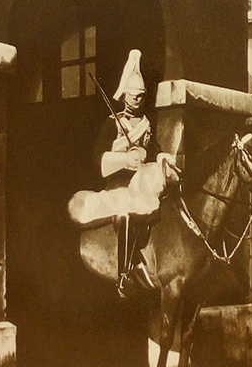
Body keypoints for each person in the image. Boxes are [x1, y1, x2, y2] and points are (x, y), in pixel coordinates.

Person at [67, 50, 178, 297]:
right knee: (128, 211)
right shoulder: (112, 123)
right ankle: (125, 272)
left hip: (143, 184)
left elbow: (155, 148)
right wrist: (124, 159)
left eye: (141, 96)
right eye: (133, 95)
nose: (137, 100)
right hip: (118, 186)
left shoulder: (147, 124)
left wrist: (161, 156)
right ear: (124, 95)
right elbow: (99, 158)